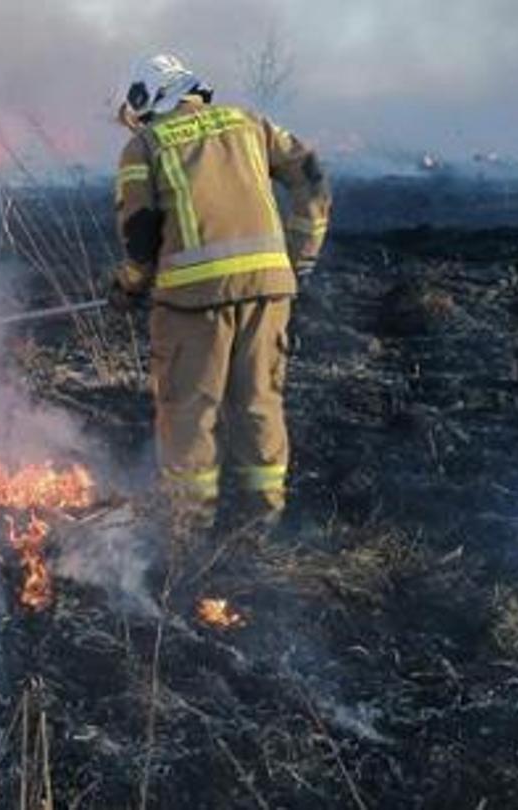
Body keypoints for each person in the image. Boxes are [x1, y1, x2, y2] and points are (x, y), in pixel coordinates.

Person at [107, 54, 332, 549]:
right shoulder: (250, 124)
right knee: (258, 404)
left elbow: (140, 235)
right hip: (270, 291)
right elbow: (311, 176)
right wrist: (300, 255)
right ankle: (261, 529)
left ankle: (187, 537)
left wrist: (128, 286)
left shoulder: (144, 146)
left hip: (192, 302)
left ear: (149, 97)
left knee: (189, 411)